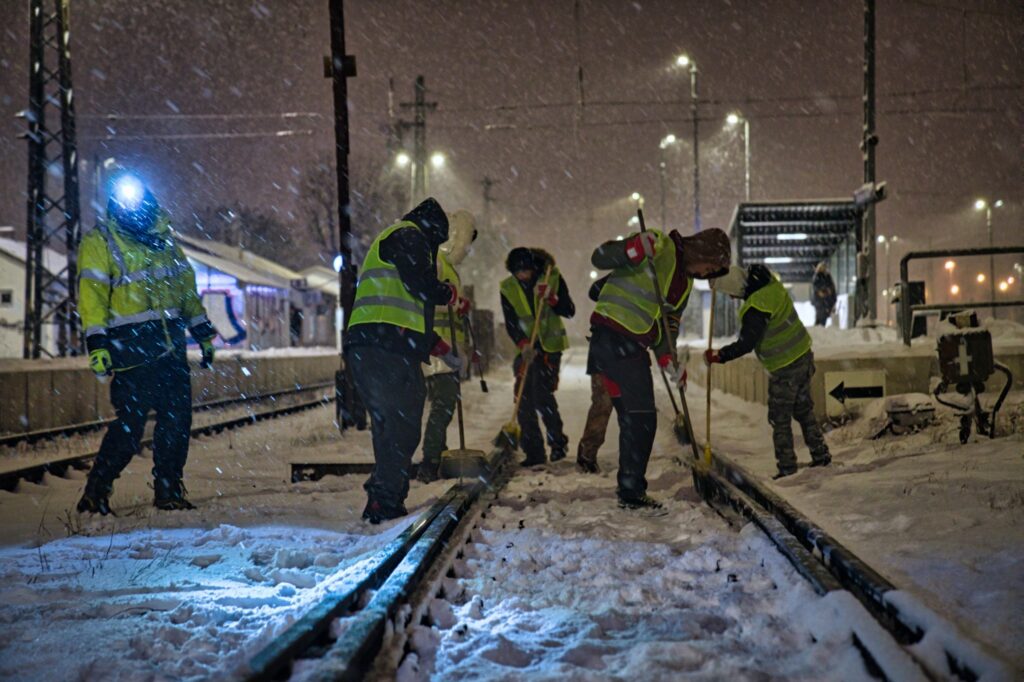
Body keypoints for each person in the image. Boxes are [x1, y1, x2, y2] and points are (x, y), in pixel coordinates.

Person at [76, 172, 217, 514]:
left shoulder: (166, 241)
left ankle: (168, 490)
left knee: (176, 422)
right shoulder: (100, 243)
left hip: (170, 348)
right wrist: (97, 344)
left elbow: (186, 292)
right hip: (131, 351)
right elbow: (92, 297)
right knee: (130, 427)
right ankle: (96, 491)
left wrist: (203, 333)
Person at [588, 227, 731, 509]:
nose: (706, 273)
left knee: (632, 418)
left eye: (712, 272)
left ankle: (629, 489)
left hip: (629, 344)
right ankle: (631, 492)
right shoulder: (660, 245)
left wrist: (668, 359)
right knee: (641, 418)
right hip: (614, 335)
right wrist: (633, 248)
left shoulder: (685, 286)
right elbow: (600, 257)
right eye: (709, 266)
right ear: (702, 251)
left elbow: (668, 326)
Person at [344, 197, 466, 524]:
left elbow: (405, 311)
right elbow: (420, 284)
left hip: (375, 345)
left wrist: (441, 349)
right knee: (401, 425)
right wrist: (445, 292)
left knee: (391, 425)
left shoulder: (400, 238)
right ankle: (384, 499)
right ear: (432, 230)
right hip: (384, 349)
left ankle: (387, 499)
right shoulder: (409, 236)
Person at [707, 264, 832, 479]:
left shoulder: (756, 307)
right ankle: (821, 455)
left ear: (736, 288)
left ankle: (787, 467)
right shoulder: (771, 286)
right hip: (803, 355)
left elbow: (746, 343)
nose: (731, 298)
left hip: (785, 367)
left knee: (779, 418)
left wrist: (720, 355)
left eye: (730, 293)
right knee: (803, 410)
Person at [418, 210, 478, 483]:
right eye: (467, 243)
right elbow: (427, 297)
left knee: (443, 406)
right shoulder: (438, 263)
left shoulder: (448, 268)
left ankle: (436, 455)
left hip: (445, 349)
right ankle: (430, 461)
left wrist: (459, 306)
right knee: (443, 406)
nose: (467, 250)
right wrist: (452, 305)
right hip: (437, 349)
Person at [500, 247, 575, 466]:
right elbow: (511, 321)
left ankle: (557, 443)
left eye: (525, 271)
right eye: (518, 272)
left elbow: (569, 310)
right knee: (523, 400)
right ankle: (534, 452)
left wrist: (552, 298)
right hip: (526, 349)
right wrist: (522, 343)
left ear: (533, 268)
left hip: (549, 348)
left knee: (542, 395)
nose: (522, 276)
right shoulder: (507, 287)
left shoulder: (552, 277)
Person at [811, 261, 837, 327]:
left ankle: (818, 327)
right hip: (820, 301)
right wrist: (825, 291)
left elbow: (831, 287)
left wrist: (830, 293)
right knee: (821, 315)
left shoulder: (827, 276)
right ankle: (818, 327)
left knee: (823, 315)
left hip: (827, 300)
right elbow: (817, 288)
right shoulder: (817, 276)